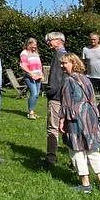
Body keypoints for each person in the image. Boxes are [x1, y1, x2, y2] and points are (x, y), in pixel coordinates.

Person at [58, 53, 100, 194]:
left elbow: (66, 103)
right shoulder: (86, 79)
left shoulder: (68, 80)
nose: (62, 66)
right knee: (93, 149)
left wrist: (62, 120)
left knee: (77, 150)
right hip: (90, 116)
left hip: (75, 118)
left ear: (73, 63)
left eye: (65, 63)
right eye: (61, 63)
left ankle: (85, 184)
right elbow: (92, 99)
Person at [43, 32, 69, 167]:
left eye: (50, 40)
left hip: (57, 97)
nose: (48, 43)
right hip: (67, 97)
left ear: (59, 40)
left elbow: (55, 79)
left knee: (53, 128)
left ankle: (51, 158)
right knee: (67, 128)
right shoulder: (67, 55)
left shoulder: (59, 55)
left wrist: (50, 92)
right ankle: (74, 157)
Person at [19, 37, 44, 119]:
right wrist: (30, 74)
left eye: (36, 45)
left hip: (38, 77)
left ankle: (32, 110)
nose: (35, 46)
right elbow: (23, 66)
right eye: (33, 45)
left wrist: (41, 74)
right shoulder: (24, 53)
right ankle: (30, 112)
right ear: (28, 44)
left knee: (36, 95)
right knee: (34, 93)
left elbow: (39, 65)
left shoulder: (36, 53)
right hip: (30, 77)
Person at [81, 32, 100, 99]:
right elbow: (82, 62)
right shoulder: (85, 49)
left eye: (94, 39)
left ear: (98, 40)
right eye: (91, 39)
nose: (92, 41)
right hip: (90, 76)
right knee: (90, 96)